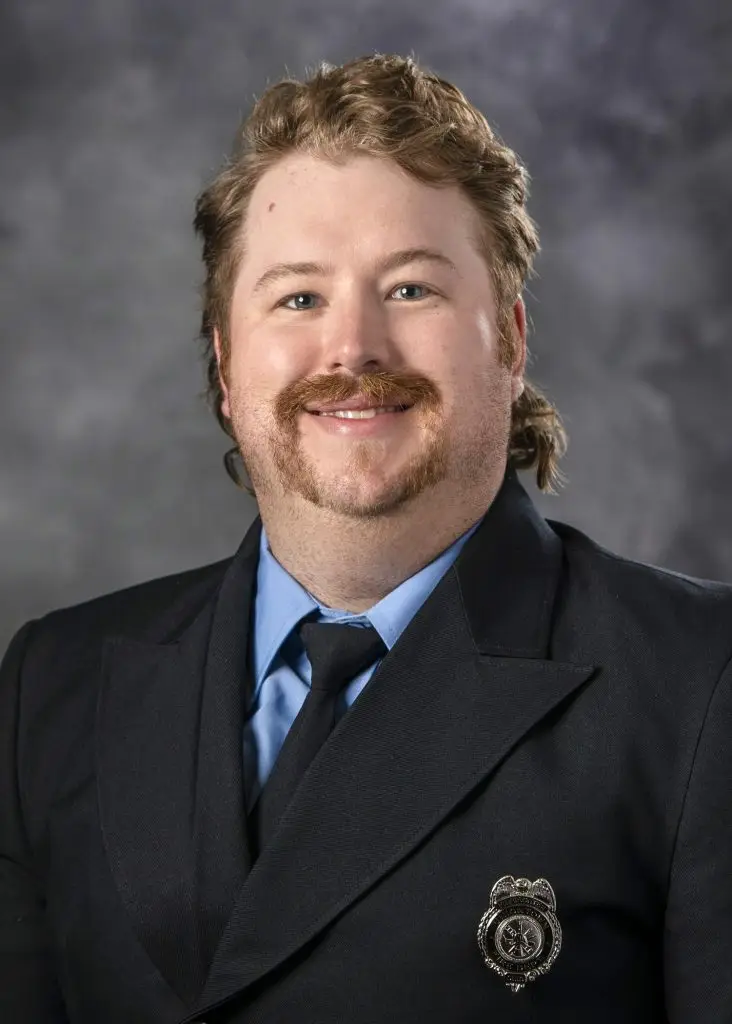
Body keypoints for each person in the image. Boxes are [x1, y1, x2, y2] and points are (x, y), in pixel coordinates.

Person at [1, 53, 730, 1024]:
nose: (353, 349)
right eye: (298, 298)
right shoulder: (52, 687)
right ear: (225, 363)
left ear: (510, 341)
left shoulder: (701, 685)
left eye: (411, 290)